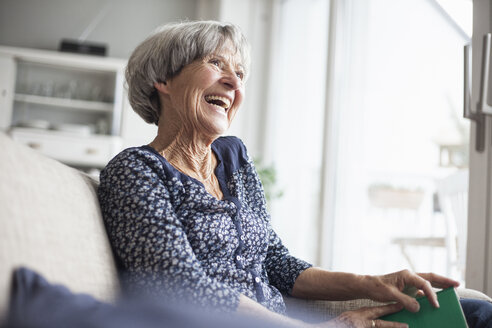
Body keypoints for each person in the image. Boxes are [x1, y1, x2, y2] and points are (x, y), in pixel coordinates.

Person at [98, 21, 491, 328]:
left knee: (473, 314)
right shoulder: (136, 172)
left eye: (240, 72)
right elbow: (181, 288)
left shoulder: (232, 158)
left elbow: (275, 262)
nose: (234, 83)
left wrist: (372, 282)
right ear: (163, 80)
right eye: (216, 64)